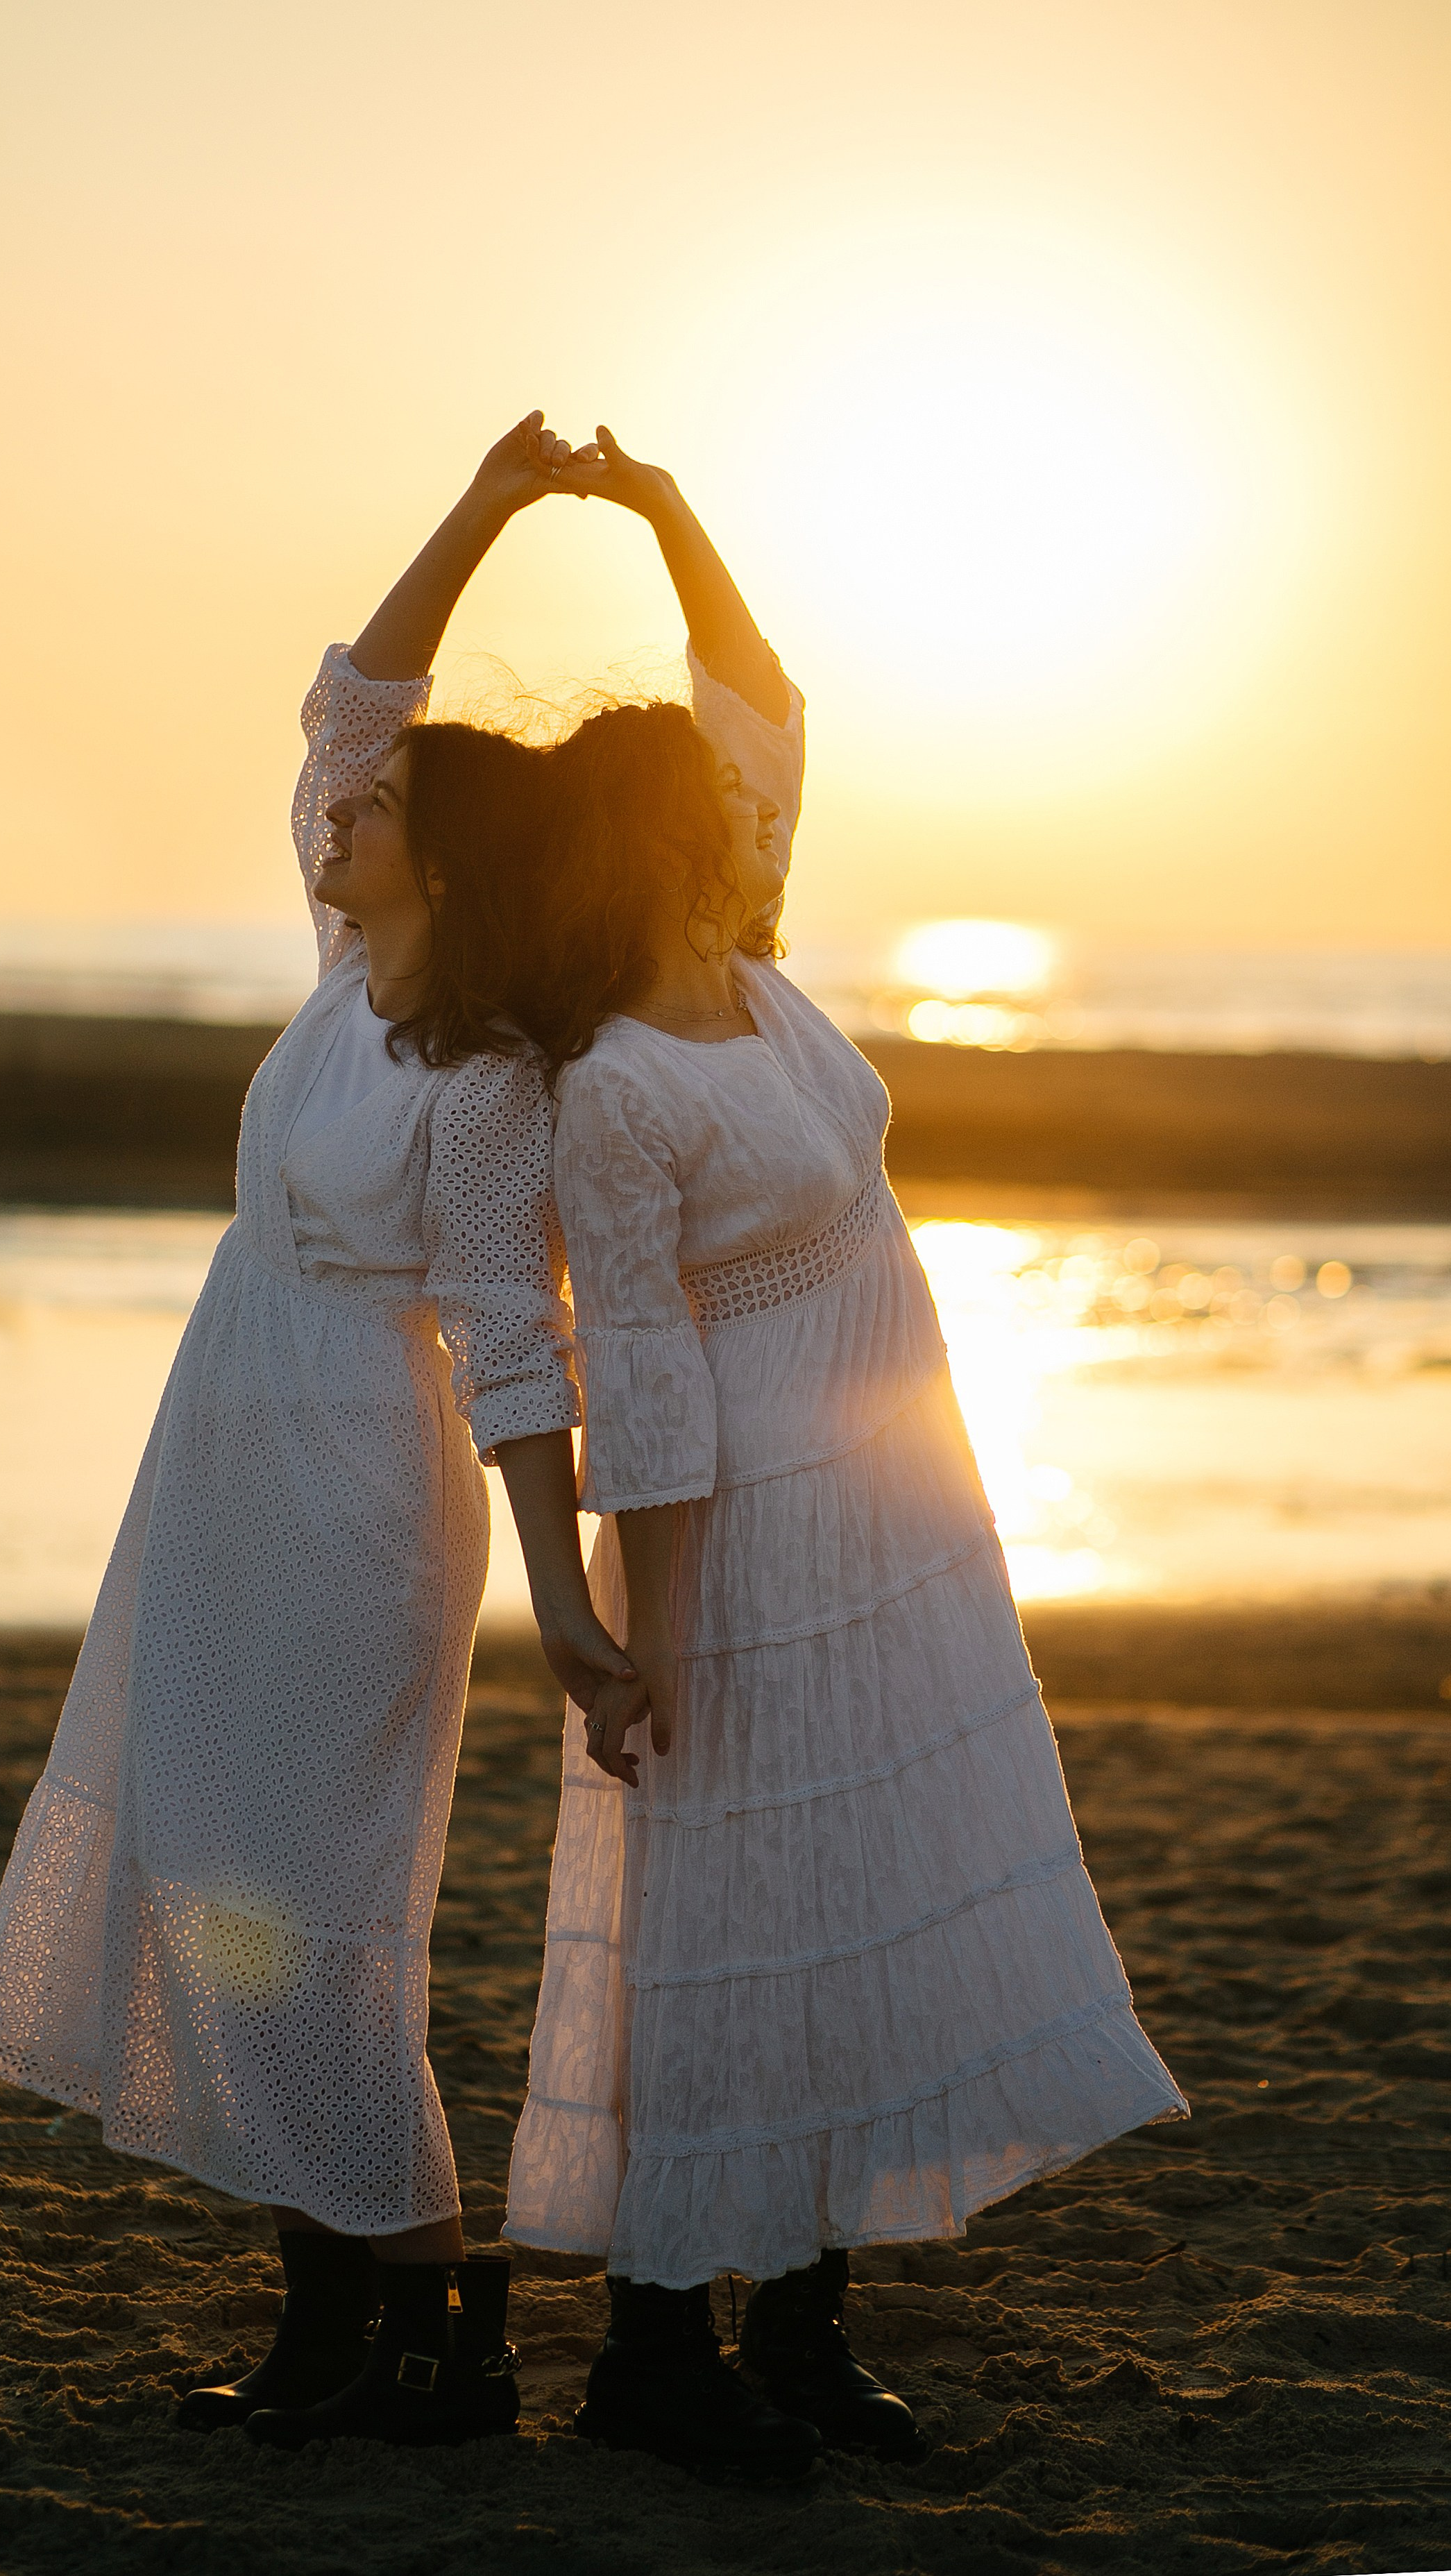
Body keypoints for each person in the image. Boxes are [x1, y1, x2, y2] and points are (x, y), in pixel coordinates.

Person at [503, 428, 1189, 2480]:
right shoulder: (614, 1083)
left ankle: (800, 2327)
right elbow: (641, 1376)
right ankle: (651, 2352)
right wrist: (652, 1638)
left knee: (857, 1897)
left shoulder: (757, 981)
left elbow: (764, 705)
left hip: (891, 1535)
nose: (743, 808)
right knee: (729, 1923)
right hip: (750, 1561)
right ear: (650, 848)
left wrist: (659, 516)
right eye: (699, 811)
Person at [0, 414, 642, 2454]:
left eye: (374, 811)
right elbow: (355, 698)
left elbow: (516, 1352)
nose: (334, 812)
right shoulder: (343, 981)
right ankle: (359, 2329)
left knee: (310, 1910)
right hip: (227, 1452)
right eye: (340, 808)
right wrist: (490, 508)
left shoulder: (495, 1075)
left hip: (357, 1480)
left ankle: (417, 2327)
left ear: (442, 857)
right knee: (227, 1885)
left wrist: (558, 1609)